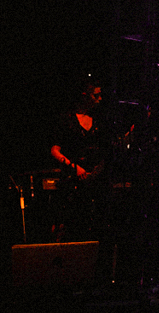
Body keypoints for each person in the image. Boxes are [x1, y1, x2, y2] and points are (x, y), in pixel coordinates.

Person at [50, 76, 110, 239]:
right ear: (84, 95)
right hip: (73, 182)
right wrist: (74, 168)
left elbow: (107, 150)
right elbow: (55, 150)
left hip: (95, 182)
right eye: (96, 95)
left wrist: (96, 172)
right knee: (74, 228)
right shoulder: (67, 119)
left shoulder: (100, 120)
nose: (100, 99)